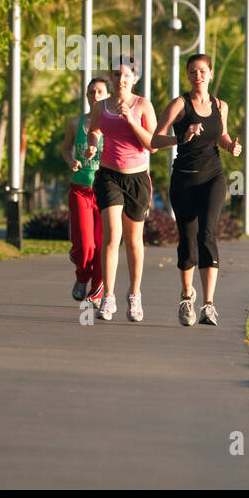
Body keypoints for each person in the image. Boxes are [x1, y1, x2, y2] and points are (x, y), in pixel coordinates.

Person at [152, 54, 241, 326]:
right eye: (193, 71)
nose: (198, 75)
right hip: (184, 179)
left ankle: (209, 304)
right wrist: (182, 137)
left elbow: (222, 134)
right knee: (188, 239)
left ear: (211, 74)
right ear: (188, 76)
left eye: (203, 70)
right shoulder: (180, 105)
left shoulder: (220, 106)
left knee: (208, 234)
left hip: (213, 176)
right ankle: (186, 297)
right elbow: (154, 139)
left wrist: (230, 146)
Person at [83, 55, 157, 322]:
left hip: (137, 178)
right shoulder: (101, 106)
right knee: (112, 236)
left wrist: (132, 121)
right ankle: (108, 297)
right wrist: (93, 144)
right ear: (112, 78)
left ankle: (135, 295)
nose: (121, 80)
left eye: (127, 76)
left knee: (134, 241)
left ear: (134, 78)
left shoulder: (143, 105)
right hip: (109, 176)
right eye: (117, 75)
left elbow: (153, 144)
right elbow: (94, 130)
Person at [61, 77, 110, 306]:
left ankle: (97, 289)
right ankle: (82, 275)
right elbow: (65, 149)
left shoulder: (114, 124)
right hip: (80, 189)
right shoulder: (75, 123)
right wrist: (71, 161)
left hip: (107, 191)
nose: (95, 96)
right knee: (85, 244)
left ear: (107, 95)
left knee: (102, 245)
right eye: (92, 92)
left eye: (100, 91)